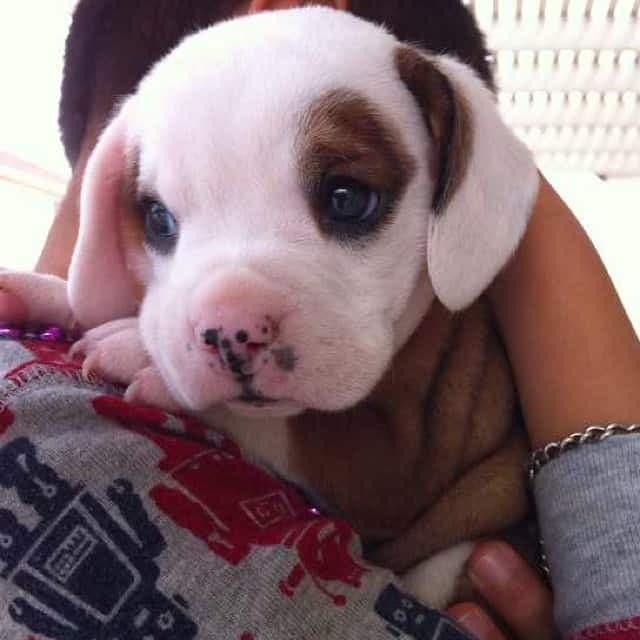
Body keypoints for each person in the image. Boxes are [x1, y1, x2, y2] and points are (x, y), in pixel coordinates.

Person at [1, 1, 639, 638]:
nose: (231, 325)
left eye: (346, 202)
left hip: (457, 555)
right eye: (165, 224)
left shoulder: (451, 337)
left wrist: (198, 404)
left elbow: (391, 477)